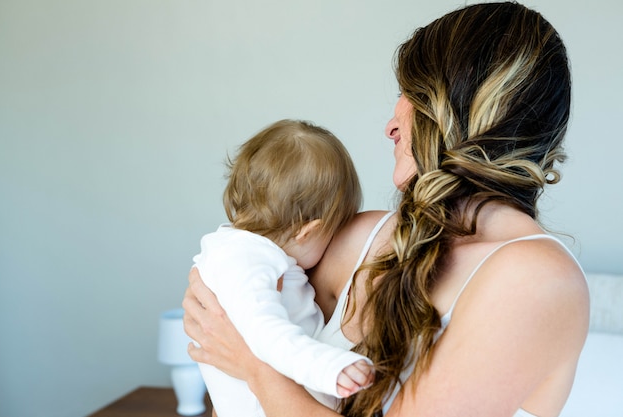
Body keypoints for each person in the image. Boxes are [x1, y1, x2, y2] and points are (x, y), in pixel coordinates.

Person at [183, 3, 590, 417]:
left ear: (454, 109)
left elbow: (246, 362)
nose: (391, 125)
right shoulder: (358, 239)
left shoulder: (535, 279)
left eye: (410, 95)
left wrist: (255, 367)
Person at [191, 119, 374, 417]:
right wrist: (330, 368)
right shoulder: (245, 259)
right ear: (308, 231)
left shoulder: (237, 252)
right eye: (334, 231)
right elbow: (266, 336)